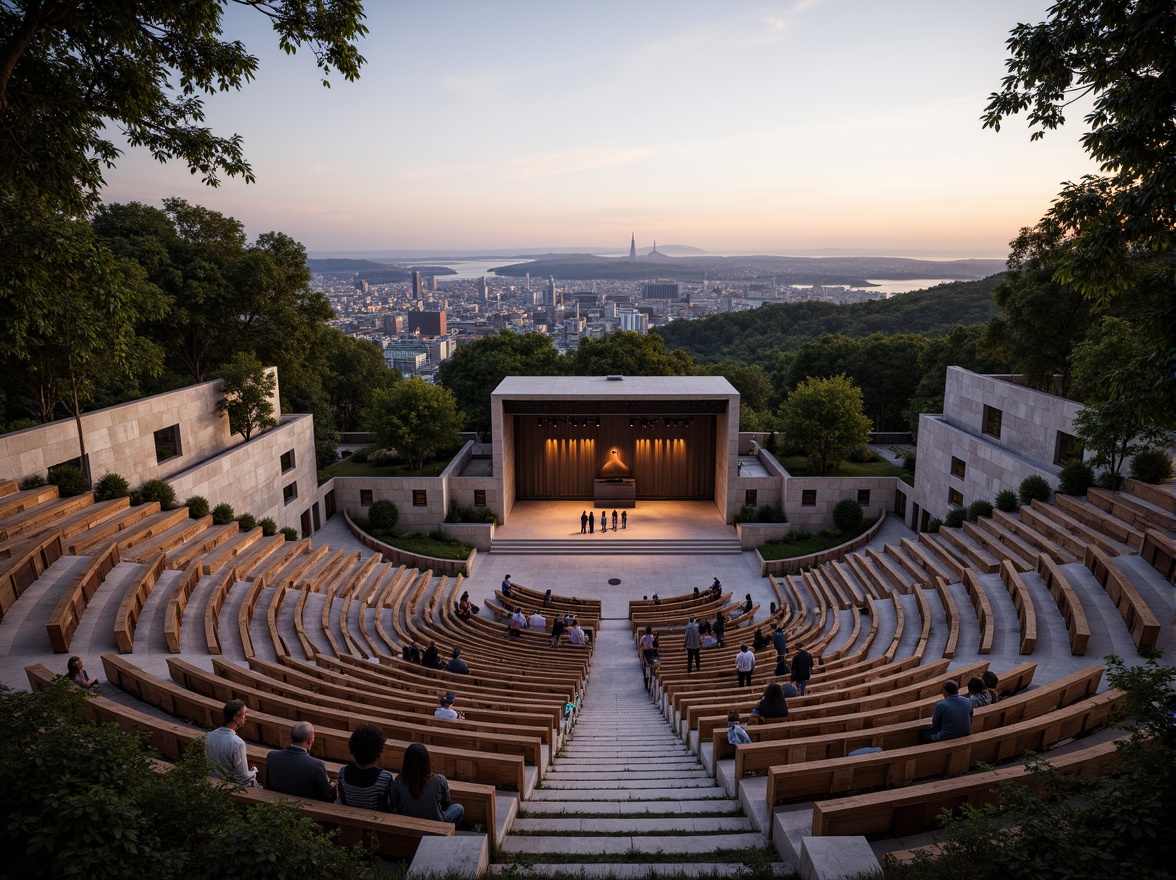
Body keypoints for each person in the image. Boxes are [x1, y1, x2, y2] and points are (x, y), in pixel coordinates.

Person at [390, 742, 463, 825]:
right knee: (458, 808)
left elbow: (394, 803)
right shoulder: (439, 780)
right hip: (435, 824)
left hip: (408, 823)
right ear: (426, 761)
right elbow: (446, 802)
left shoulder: (398, 781)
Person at [266, 721, 335, 801]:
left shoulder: (272, 756)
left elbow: (268, 785)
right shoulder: (316, 766)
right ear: (310, 740)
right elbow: (329, 796)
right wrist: (333, 784)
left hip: (276, 804)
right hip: (308, 809)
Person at [337, 724, 393, 811]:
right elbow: (387, 804)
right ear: (377, 751)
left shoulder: (343, 773)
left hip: (350, 818)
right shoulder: (385, 778)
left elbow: (343, 800)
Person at [205, 699, 258, 786]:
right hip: (229, 786)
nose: (245, 718)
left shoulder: (210, 735)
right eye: (244, 715)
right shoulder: (238, 743)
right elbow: (243, 777)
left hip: (211, 782)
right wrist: (254, 772)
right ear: (237, 719)